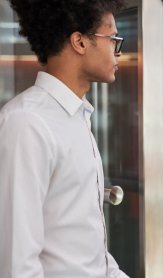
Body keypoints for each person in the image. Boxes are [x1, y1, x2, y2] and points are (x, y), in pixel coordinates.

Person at [0, 0, 128, 277]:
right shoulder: (27, 123)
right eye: (113, 39)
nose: (118, 51)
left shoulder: (77, 116)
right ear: (79, 42)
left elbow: (87, 247)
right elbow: (17, 263)